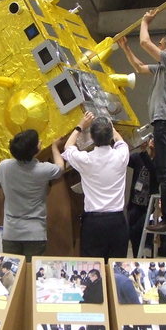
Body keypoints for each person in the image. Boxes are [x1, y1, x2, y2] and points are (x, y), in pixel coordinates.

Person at [118, 9, 166, 232]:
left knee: (165, 173)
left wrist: (145, 22)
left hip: (165, 124)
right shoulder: (162, 69)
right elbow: (138, 67)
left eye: (163, 43)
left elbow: (145, 42)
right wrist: (125, 48)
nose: (159, 44)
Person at [62, 112, 129, 261]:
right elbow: (120, 141)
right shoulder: (122, 155)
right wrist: (111, 127)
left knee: (93, 267)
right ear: (111, 136)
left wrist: (80, 125)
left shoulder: (86, 160)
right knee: (115, 267)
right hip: (117, 220)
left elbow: (68, 147)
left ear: (91, 137)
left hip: (93, 222)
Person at [0, 129, 64, 261]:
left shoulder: (4, 166)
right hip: (35, 233)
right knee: (32, 271)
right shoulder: (43, 169)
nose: (40, 141)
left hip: (11, 232)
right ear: (35, 150)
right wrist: (54, 147)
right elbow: (60, 168)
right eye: (38, 142)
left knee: (12, 269)